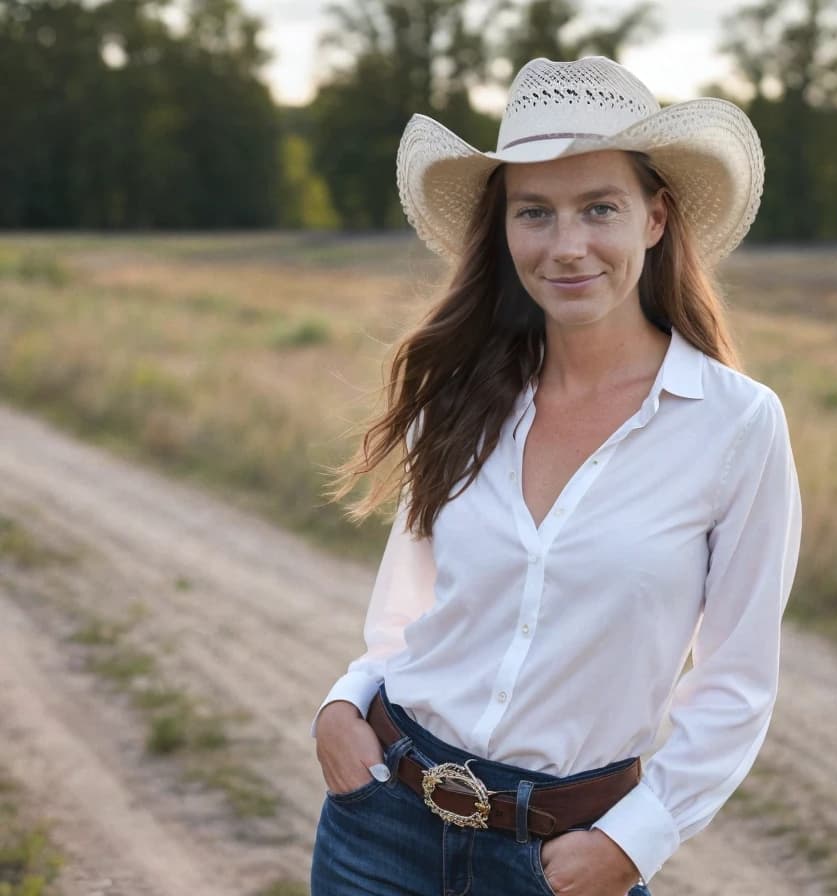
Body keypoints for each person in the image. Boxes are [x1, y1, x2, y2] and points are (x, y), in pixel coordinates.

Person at [309, 56, 803, 896]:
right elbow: (411, 606)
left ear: (655, 218)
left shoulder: (736, 426)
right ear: (504, 230)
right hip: (381, 823)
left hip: (563, 861)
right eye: (535, 212)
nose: (567, 246)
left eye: (598, 209)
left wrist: (634, 841)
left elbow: (737, 678)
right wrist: (342, 706)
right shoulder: (463, 395)